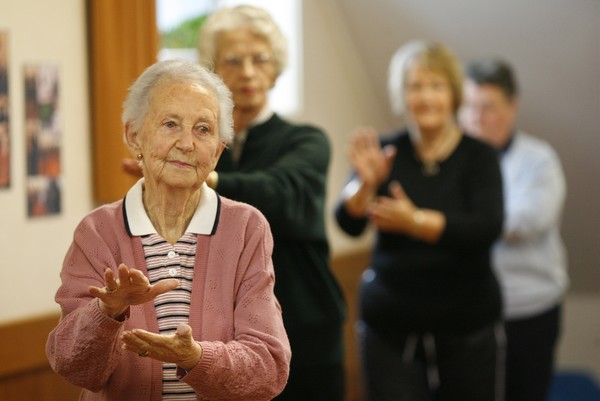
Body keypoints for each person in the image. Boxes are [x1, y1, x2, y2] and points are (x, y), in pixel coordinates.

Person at [123, 6, 346, 400]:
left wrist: (196, 173)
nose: (247, 72)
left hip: (306, 328)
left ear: (276, 68)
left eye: (259, 59)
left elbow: (283, 193)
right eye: (232, 59)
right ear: (212, 75)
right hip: (222, 342)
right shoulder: (199, 144)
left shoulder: (306, 140)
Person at [46, 59, 291, 401]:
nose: (187, 144)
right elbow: (76, 368)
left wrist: (194, 357)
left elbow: (269, 367)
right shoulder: (97, 232)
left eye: (203, 129)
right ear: (134, 136)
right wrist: (107, 313)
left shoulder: (246, 228)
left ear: (217, 152)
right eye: (171, 124)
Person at [334, 40, 505, 401]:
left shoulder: (480, 157)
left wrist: (416, 222)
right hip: (390, 325)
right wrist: (364, 186)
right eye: (415, 86)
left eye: (436, 86)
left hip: (467, 323)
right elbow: (348, 223)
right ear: (402, 94)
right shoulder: (385, 152)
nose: (425, 97)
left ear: (454, 94)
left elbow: (486, 228)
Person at [460, 58, 568, 401]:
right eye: (469, 107)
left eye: (488, 107)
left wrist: (450, 222)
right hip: (467, 309)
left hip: (529, 309)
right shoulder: (451, 160)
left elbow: (525, 223)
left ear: (512, 107)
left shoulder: (539, 160)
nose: (477, 117)